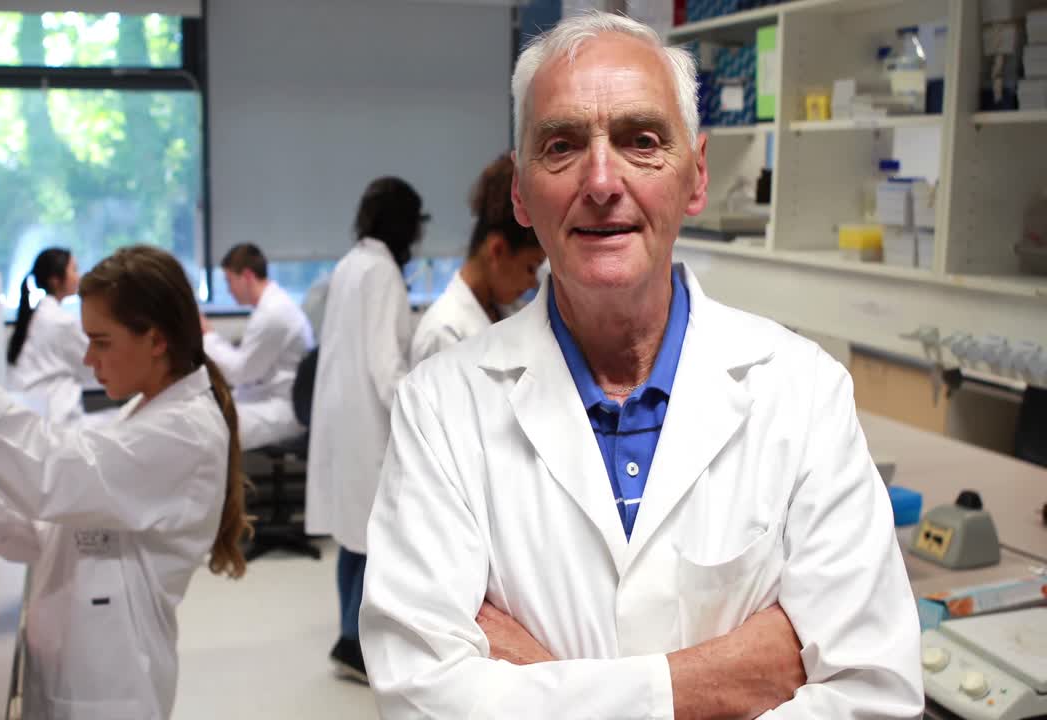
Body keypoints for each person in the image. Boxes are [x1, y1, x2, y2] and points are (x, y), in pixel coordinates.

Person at [360, 12, 923, 719]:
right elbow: (419, 700)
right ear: (520, 194)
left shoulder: (802, 391)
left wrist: (544, 681)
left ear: (696, 176)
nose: (602, 180)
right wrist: (710, 682)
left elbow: (877, 694)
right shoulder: (441, 406)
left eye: (642, 141)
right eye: (562, 145)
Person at [0, 245, 251, 720]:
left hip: (113, 685)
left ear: (156, 340)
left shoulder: (184, 432)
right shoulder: (148, 409)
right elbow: (76, 530)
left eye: (101, 341)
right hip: (84, 663)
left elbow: (53, 472)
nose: (88, 358)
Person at [305, 176, 426, 682]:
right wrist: (422, 408)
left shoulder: (351, 263)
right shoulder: (381, 273)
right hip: (368, 424)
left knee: (355, 536)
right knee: (374, 535)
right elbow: (384, 364)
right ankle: (354, 643)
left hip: (340, 417)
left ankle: (348, 636)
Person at [410, 155, 546, 365]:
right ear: (497, 250)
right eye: (530, 267)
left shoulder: (506, 312)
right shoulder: (444, 333)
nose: (532, 282)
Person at [200, 243, 315, 450]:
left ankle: (224, 483)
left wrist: (208, 336)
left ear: (247, 276)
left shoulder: (274, 313)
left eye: (229, 281)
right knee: (204, 413)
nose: (228, 289)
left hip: (284, 409)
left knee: (212, 427)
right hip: (269, 399)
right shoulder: (270, 308)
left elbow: (240, 372)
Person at [6, 247, 96, 424]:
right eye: (74, 270)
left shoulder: (36, 316)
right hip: (56, 415)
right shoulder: (61, 322)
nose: (78, 276)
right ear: (56, 280)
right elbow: (92, 366)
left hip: (35, 413)